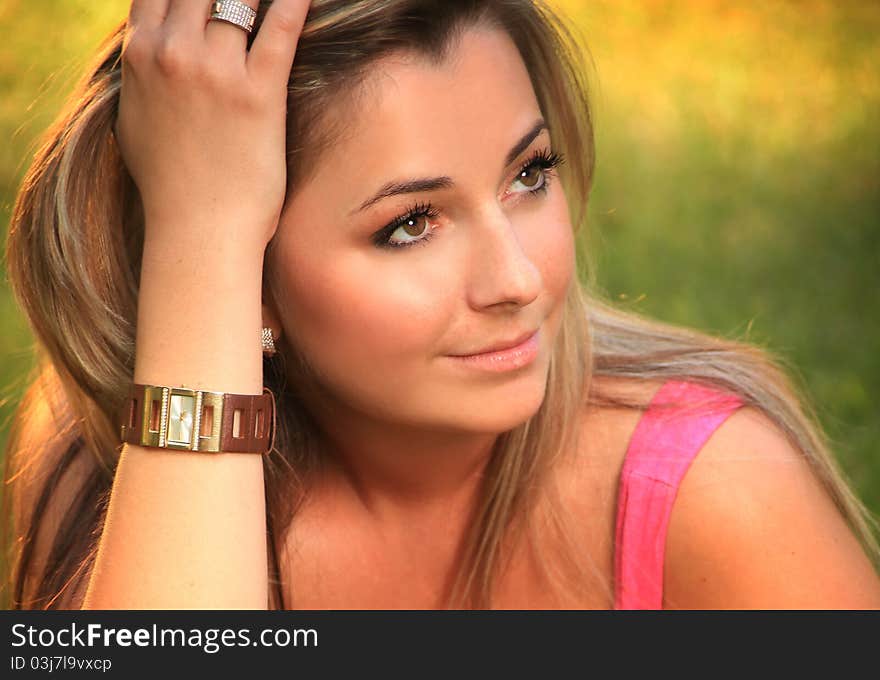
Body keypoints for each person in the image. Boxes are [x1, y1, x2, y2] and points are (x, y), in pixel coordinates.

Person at [4, 0, 880, 610]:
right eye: (412, 223)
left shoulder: (719, 496)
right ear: (249, 271)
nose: (517, 280)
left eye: (528, 174)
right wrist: (197, 237)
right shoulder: (108, 459)